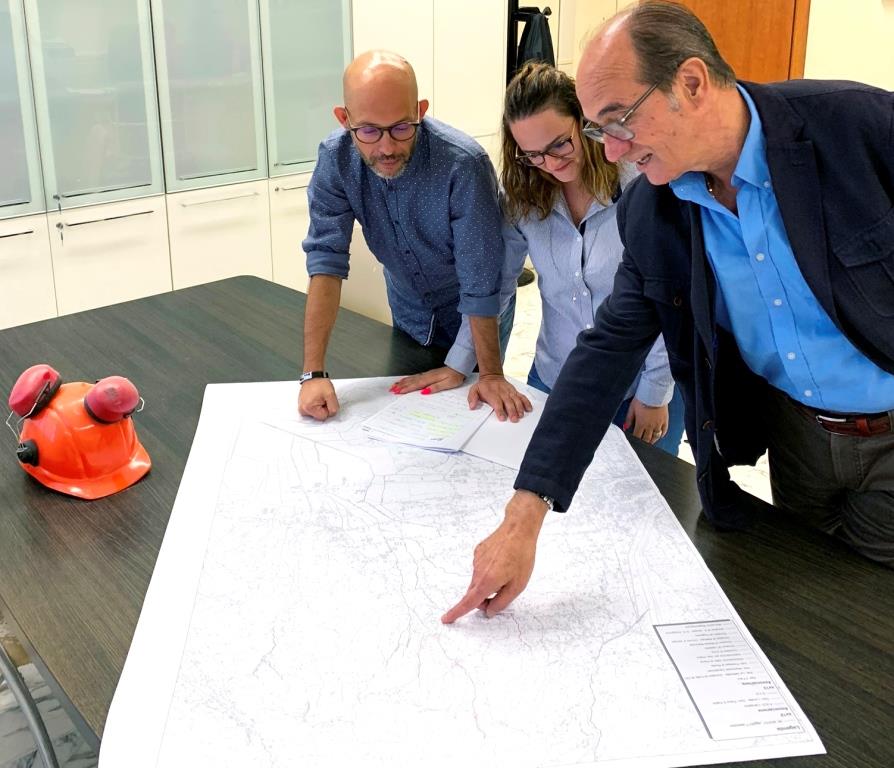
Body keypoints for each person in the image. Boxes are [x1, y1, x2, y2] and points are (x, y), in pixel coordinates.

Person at [442, 1, 894, 624]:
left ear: (692, 82)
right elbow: (607, 349)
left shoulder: (858, 128)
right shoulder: (656, 210)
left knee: (873, 620)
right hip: (795, 438)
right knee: (803, 602)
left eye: (619, 120)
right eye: (599, 131)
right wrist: (524, 515)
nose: (613, 150)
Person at [299, 50, 530, 423]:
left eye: (402, 127)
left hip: (475, 316)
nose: (387, 147)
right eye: (369, 131)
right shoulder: (335, 160)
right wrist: (313, 374)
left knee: (471, 417)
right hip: (408, 308)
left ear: (420, 111)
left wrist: (489, 374)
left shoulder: (463, 164)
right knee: (414, 413)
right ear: (344, 119)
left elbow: (481, 279)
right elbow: (326, 261)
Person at [488, 61, 684, 453]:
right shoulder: (523, 196)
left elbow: (671, 296)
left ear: (584, 121)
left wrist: (654, 392)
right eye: (533, 154)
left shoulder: (643, 182)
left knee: (649, 487)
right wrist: (478, 368)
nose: (550, 164)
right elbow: (495, 290)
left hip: (642, 385)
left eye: (559, 144)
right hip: (558, 377)